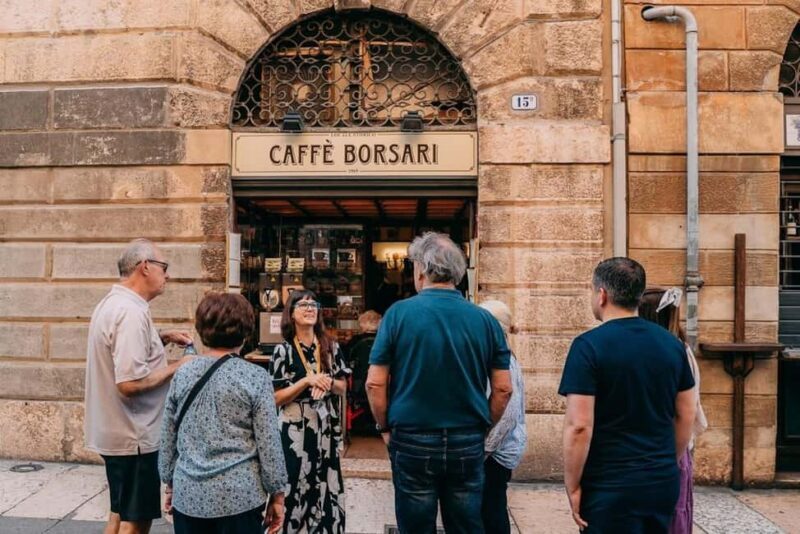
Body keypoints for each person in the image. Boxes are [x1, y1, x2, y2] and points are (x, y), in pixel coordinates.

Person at [366, 232, 513, 534]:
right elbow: (503, 388)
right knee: (466, 525)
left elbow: (374, 384)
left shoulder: (398, 314)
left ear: (421, 270)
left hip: (412, 436)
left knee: (416, 526)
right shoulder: (485, 320)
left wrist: (383, 428)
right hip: (466, 437)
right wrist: (483, 425)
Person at [558, 258, 697, 534]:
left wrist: (572, 485)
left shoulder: (587, 347)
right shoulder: (672, 345)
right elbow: (686, 413)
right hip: (660, 480)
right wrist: (667, 461)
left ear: (602, 295)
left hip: (609, 484)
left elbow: (579, 426)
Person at [83, 239, 194, 534]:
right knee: (136, 523)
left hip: (117, 432)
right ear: (144, 267)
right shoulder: (130, 313)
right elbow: (129, 384)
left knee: (118, 514)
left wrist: (161, 336)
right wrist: (177, 367)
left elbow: (121, 348)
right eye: (163, 267)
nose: (167, 275)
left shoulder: (113, 304)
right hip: (135, 437)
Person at [158, 292, 288, 533]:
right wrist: (277, 494)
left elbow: (168, 435)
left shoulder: (183, 374)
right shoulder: (255, 377)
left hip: (190, 494)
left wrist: (169, 482)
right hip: (240, 495)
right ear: (246, 331)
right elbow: (269, 442)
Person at [269, 289, 351, 533]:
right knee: (293, 484)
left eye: (313, 304)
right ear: (291, 314)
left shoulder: (330, 347)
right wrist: (306, 382)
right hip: (294, 432)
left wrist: (326, 383)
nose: (309, 308)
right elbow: (275, 398)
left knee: (325, 485)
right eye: (302, 305)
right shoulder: (282, 351)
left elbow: (343, 387)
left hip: (324, 430)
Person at [639, 287, 708, 534]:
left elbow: (687, 409)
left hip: (668, 446)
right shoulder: (676, 350)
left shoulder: (678, 352)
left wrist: (674, 454)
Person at [479, 300, 527, 534]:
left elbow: (506, 416)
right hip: (497, 451)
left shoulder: (503, 360)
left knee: (492, 512)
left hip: (495, 454)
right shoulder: (501, 355)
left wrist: (482, 450)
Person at [346, 311, 382, 434]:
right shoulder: (384, 339)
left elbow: (346, 359)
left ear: (365, 324)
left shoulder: (355, 341)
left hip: (358, 385)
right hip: (382, 383)